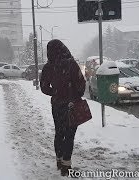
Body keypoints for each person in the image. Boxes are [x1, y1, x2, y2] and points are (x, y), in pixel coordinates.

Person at [40, 39, 86, 176]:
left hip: (57, 105)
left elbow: (43, 87)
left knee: (59, 133)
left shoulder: (48, 67)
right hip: (71, 105)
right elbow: (81, 83)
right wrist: (75, 94)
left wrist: (55, 92)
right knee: (70, 135)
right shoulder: (71, 64)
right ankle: (66, 164)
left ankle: (59, 161)